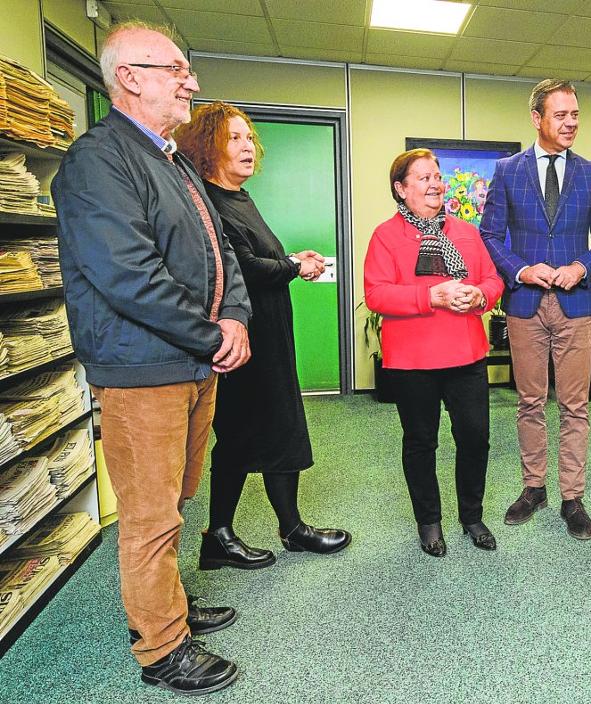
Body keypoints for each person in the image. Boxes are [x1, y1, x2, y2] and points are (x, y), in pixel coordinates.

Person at [50, 20, 249, 694]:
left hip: (190, 366)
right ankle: (162, 648)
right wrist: (212, 332)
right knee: (150, 514)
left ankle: (170, 609)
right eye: (173, 69)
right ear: (128, 78)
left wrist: (236, 316)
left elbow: (220, 251)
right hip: (145, 371)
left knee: (176, 499)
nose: (189, 80)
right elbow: (127, 275)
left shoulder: (170, 160)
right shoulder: (97, 160)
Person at [173, 102, 351, 569]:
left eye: (249, 137)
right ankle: (224, 535)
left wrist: (291, 259)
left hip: (268, 336)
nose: (248, 146)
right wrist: (294, 266)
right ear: (207, 147)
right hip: (241, 341)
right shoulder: (210, 204)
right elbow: (244, 271)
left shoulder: (238, 198)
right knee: (243, 435)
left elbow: (255, 257)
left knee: (274, 430)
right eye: (235, 138)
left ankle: (280, 528)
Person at [480, 79, 591, 540]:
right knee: (530, 401)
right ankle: (533, 487)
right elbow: (491, 236)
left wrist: (581, 265)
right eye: (561, 115)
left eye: (575, 114)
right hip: (525, 304)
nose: (571, 122)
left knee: (575, 406)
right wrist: (521, 270)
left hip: (576, 305)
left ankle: (572, 496)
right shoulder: (507, 171)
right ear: (537, 118)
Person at [364, 148, 503, 557]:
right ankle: (429, 521)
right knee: (421, 442)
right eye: (423, 178)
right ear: (401, 189)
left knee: (476, 439)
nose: (435, 184)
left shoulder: (467, 232)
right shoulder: (385, 236)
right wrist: (432, 295)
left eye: (437, 176)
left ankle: (472, 516)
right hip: (413, 362)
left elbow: (493, 281)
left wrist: (480, 294)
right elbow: (376, 294)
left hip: (467, 355)